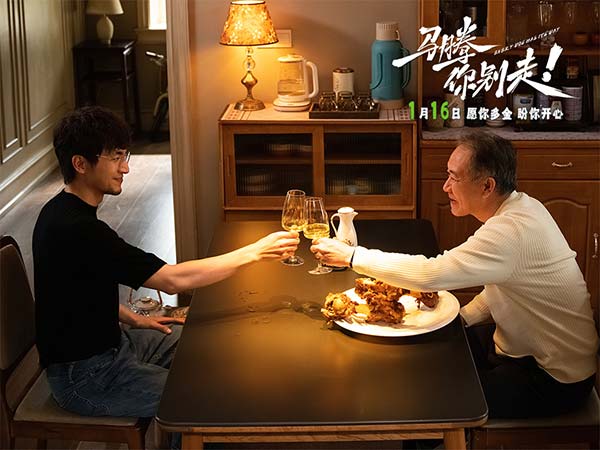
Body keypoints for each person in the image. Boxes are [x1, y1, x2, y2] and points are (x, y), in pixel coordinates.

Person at [33, 106, 299, 420]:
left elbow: (74, 289)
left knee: (203, 346)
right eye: (115, 158)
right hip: (86, 377)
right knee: (206, 398)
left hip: (115, 345)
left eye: (125, 156)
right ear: (80, 164)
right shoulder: (79, 229)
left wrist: (133, 318)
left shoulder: (59, 211)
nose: (125, 168)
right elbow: (172, 280)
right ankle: (188, 432)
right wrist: (254, 252)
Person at [311, 130, 598, 419]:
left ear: (487, 186)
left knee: (425, 394)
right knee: (427, 353)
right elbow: (505, 287)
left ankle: (439, 435)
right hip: (520, 352)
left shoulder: (510, 231)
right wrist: (463, 318)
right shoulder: (523, 207)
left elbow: (430, 273)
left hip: (553, 378)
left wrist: (352, 256)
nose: (445, 186)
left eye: (454, 178)